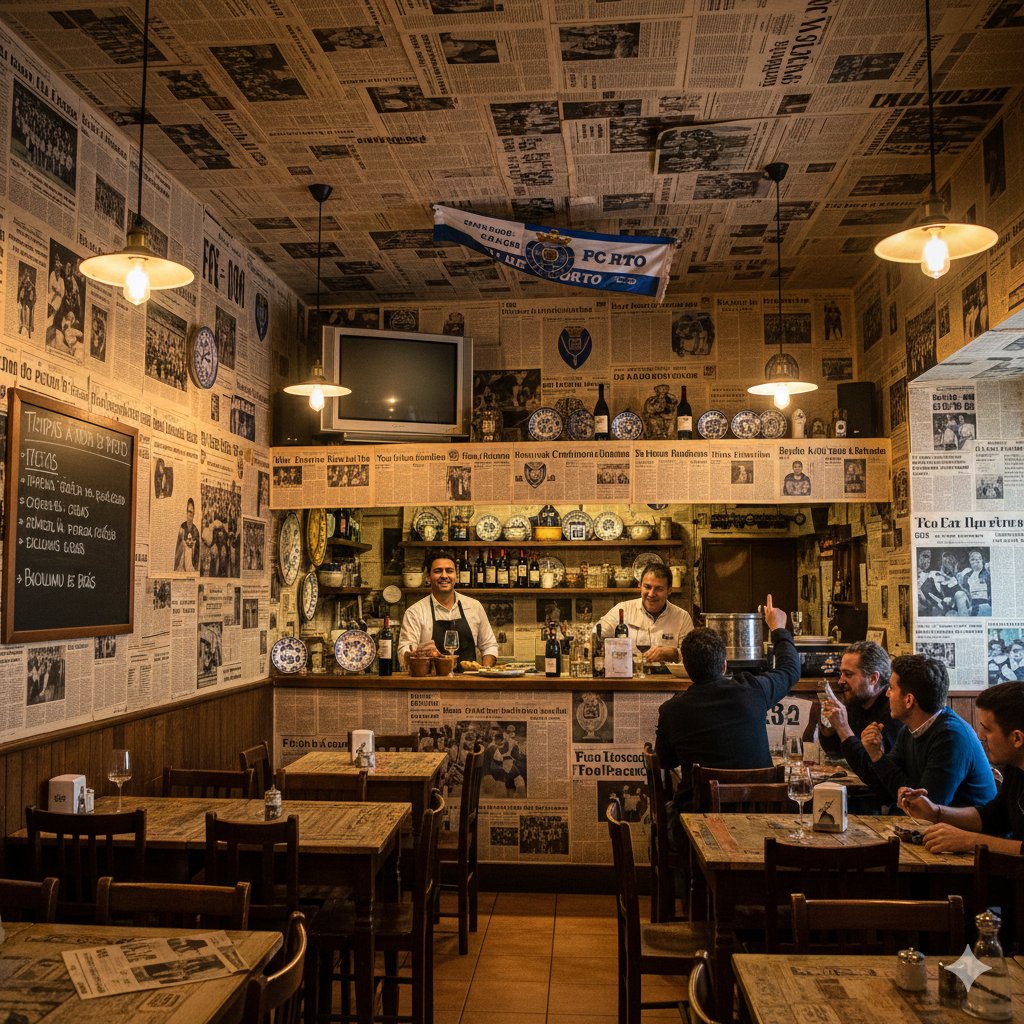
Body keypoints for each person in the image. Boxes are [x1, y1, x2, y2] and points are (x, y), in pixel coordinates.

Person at [654, 594, 799, 816]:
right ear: (724, 665)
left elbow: (665, 761)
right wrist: (778, 628)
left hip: (698, 819)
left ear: (687, 669)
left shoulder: (672, 710)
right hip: (758, 817)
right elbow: (790, 670)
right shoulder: (753, 690)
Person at [836, 654, 996, 809]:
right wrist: (876, 756)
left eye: (891, 688)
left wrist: (879, 758)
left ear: (909, 700)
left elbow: (925, 806)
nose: (887, 694)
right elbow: (885, 789)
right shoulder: (909, 730)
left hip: (967, 834)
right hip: (933, 829)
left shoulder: (951, 737)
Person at [899, 681, 1024, 855]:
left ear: (1017, 738)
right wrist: (936, 812)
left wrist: (971, 841)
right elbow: (993, 817)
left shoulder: (950, 733)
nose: (980, 735)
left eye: (987, 729)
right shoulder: (1015, 767)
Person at [397, 548, 498, 668]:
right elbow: (404, 651)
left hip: (470, 682)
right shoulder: (415, 612)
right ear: (428, 577)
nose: (444, 576)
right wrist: (414, 654)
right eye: (438, 571)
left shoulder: (474, 607)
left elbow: (489, 646)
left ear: (456, 576)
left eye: (449, 571)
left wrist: (485, 670)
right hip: (431, 682)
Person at [599, 563, 693, 666]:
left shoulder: (682, 617)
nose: (651, 594)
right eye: (647, 587)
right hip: (630, 679)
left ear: (669, 590)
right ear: (640, 586)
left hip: (668, 679)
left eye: (659, 589)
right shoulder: (623, 610)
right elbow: (596, 635)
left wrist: (675, 654)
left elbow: (693, 657)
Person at [956, 549, 991, 616]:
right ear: (970, 562)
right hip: (971, 605)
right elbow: (964, 591)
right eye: (973, 559)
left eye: (979, 558)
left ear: (982, 560)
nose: (976, 561)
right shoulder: (966, 575)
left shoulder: (987, 573)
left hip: (985, 605)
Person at [174, 498, 200, 571]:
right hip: (182, 565)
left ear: (194, 513)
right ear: (186, 512)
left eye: (192, 511)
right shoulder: (182, 527)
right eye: (189, 511)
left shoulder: (196, 530)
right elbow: (178, 546)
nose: (190, 513)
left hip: (191, 566)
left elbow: (197, 553)